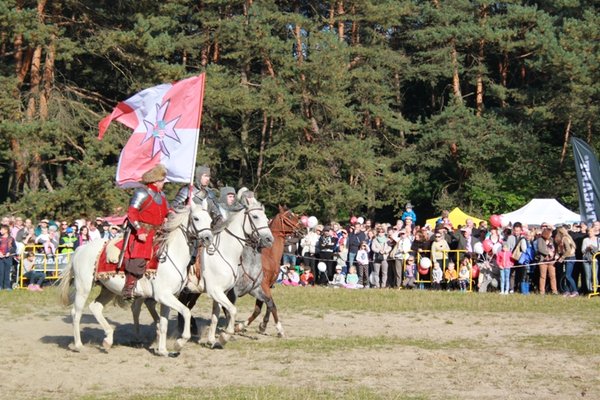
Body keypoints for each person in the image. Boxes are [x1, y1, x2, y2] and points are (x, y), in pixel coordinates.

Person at [121, 164, 170, 300]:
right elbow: (132, 213)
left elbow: (168, 211)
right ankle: (129, 287)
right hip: (143, 233)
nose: (163, 184)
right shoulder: (142, 192)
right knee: (139, 258)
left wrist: (171, 216)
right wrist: (139, 230)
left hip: (158, 232)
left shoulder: (162, 195)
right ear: (155, 181)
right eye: (162, 181)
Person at [556, 226, 578, 297]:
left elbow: (568, 250)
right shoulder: (567, 238)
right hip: (568, 258)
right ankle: (567, 291)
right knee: (565, 275)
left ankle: (575, 291)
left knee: (568, 276)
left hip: (570, 258)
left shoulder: (565, 239)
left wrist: (562, 257)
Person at [536, 227, 558, 295]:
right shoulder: (540, 240)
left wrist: (555, 255)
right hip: (543, 261)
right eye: (550, 233)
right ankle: (542, 291)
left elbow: (555, 248)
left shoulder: (552, 239)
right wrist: (547, 253)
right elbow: (540, 249)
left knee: (552, 276)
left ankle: (554, 290)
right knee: (543, 276)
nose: (551, 234)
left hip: (551, 261)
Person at [581, 227, 599, 293]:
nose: (589, 233)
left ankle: (596, 289)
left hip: (595, 260)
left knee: (595, 275)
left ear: (594, 232)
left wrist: (593, 248)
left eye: (591, 231)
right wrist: (587, 248)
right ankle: (589, 289)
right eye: (588, 231)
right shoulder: (585, 240)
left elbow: (598, 250)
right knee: (588, 275)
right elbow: (582, 251)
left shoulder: (598, 240)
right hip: (586, 260)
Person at [0, 224, 17, 290]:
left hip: (8, 258)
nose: (0, 231)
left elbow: (14, 247)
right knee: (1, 272)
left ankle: (7, 286)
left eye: (2, 229)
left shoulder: (11, 238)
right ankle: (0, 286)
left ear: (6, 230)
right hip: (0, 258)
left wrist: (9, 253)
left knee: (7, 272)